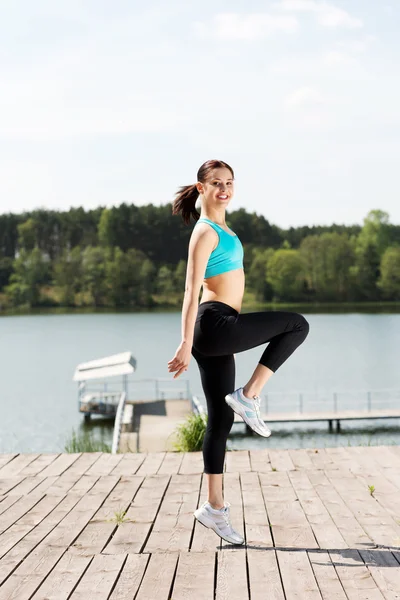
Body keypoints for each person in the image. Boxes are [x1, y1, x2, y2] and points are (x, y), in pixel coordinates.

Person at [167, 159, 310, 545]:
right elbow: (190, 289)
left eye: (229, 182)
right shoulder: (205, 231)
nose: (224, 189)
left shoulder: (223, 227)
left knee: (219, 422)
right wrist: (184, 340)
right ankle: (249, 396)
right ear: (201, 188)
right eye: (216, 183)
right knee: (297, 324)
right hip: (213, 324)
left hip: (217, 328)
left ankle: (214, 509)